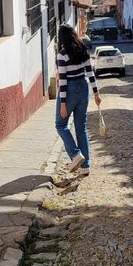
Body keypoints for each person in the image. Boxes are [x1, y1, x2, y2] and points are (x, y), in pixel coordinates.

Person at [55, 24, 101, 175]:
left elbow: (62, 81)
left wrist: (62, 104)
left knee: (61, 124)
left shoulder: (62, 55)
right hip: (83, 87)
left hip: (69, 90)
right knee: (81, 127)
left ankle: (75, 155)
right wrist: (96, 93)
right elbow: (90, 73)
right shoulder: (84, 51)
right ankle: (85, 166)